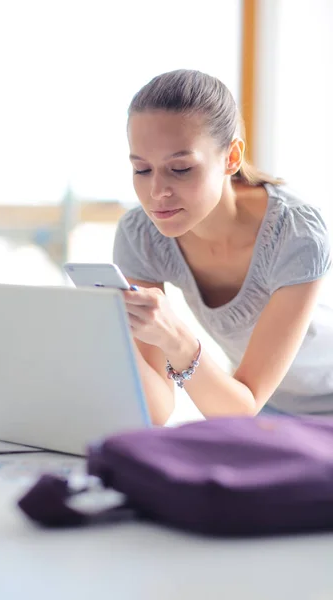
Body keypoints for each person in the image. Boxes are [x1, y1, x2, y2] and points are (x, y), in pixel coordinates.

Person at [113, 69, 332, 425]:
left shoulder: (297, 233)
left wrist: (178, 339)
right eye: (142, 170)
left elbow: (243, 407)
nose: (157, 193)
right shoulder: (141, 236)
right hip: (268, 414)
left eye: (180, 168)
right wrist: (113, 331)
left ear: (231, 158)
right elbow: (156, 410)